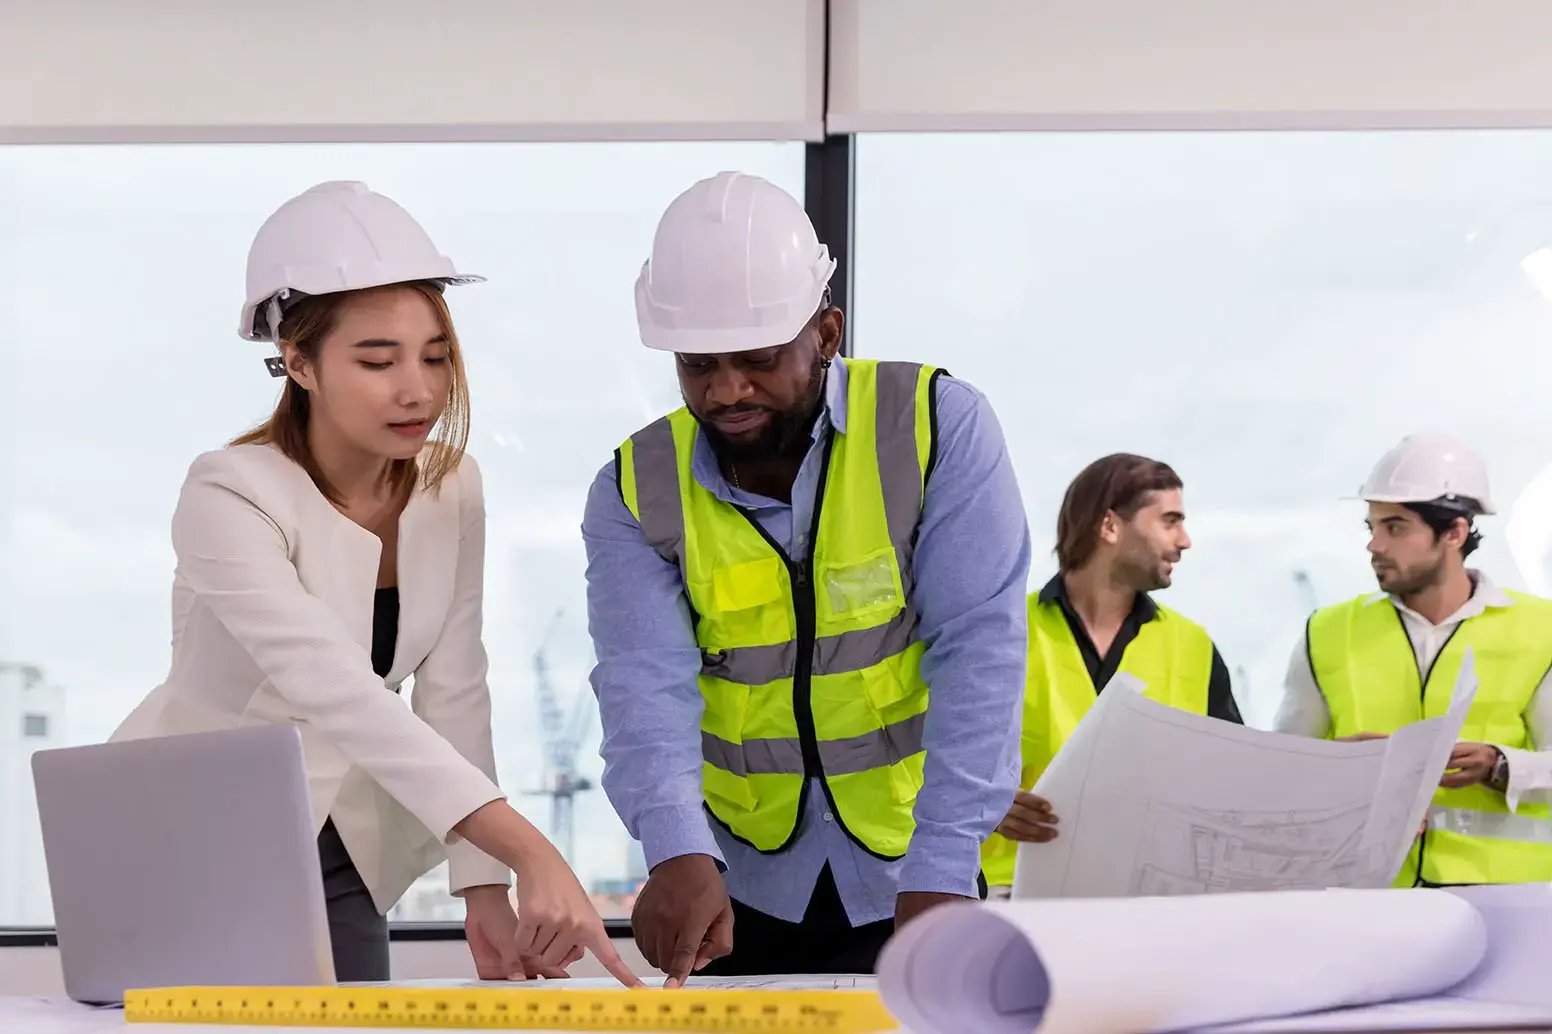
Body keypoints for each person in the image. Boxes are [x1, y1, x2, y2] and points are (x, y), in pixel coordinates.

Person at [111, 181, 636, 986]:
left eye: (434, 356)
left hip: (343, 842)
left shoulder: (451, 486)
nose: (418, 389)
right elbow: (334, 688)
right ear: (298, 362)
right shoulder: (227, 493)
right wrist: (526, 847)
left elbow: (455, 687)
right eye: (376, 359)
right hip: (194, 841)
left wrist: (483, 885)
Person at [582, 172, 1028, 981]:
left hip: (911, 874)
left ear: (826, 332)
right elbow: (643, 683)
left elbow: (980, 654)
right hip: (736, 885)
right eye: (697, 364)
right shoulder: (636, 486)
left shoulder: (934, 427)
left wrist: (944, 862)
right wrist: (674, 845)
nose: (725, 391)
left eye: (756, 360)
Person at [1275, 432, 1552, 886]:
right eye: (1372, 527)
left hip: (1509, 907)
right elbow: (1280, 771)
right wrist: (1333, 765)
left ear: (1454, 533)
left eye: (1396, 527)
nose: (1375, 545)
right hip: (1369, 899)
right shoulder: (1326, 632)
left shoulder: (1543, 631)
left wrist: (1502, 766)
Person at [981, 454, 1242, 894]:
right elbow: (921, 762)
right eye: (1170, 521)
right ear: (1109, 526)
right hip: (1016, 895)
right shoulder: (1000, 635)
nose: (1185, 540)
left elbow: (1232, 782)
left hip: (1153, 905)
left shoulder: (1193, 646)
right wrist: (982, 805)